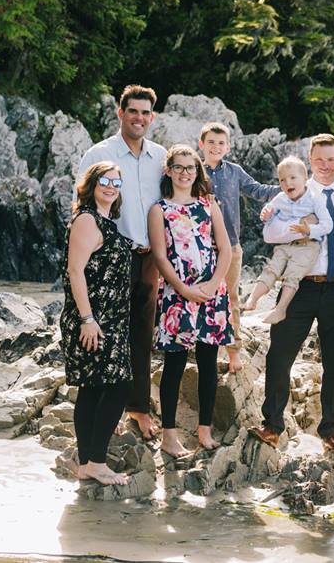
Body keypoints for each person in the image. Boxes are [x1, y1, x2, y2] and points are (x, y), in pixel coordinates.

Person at [249, 134, 334, 452]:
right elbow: (270, 233)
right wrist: (297, 224)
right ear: (309, 161)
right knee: (279, 355)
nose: (325, 165)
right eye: (318, 159)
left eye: (331, 158)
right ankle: (272, 425)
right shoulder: (295, 191)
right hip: (297, 285)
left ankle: (331, 430)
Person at [78, 84, 166, 441]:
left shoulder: (160, 156)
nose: (139, 118)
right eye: (133, 111)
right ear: (120, 113)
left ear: (153, 117)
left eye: (146, 113)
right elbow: (83, 205)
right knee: (109, 335)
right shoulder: (99, 154)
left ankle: (138, 408)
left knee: (142, 334)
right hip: (110, 258)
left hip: (149, 258)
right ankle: (105, 410)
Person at [147, 145, 233, 456]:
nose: (185, 173)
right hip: (177, 295)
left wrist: (212, 285)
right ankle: (169, 436)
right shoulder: (160, 210)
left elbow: (225, 248)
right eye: (179, 167)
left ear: (197, 172)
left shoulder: (209, 205)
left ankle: (204, 431)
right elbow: (159, 255)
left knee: (209, 364)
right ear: (168, 170)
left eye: (190, 168)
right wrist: (184, 289)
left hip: (212, 294)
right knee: (174, 364)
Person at [60, 162, 133, 485]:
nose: (110, 186)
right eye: (104, 180)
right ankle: (97, 462)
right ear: (90, 185)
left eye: (116, 182)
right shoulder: (87, 220)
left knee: (93, 388)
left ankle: (89, 462)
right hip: (93, 319)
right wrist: (87, 319)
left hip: (109, 319)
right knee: (119, 386)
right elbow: (75, 271)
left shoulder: (105, 222)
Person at [200, 122, 280, 372]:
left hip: (231, 247)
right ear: (201, 144)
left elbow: (257, 190)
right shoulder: (194, 170)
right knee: (201, 297)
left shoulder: (234, 171)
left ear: (229, 147)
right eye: (211, 142)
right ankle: (202, 349)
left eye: (221, 143)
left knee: (231, 297)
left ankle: (234, 351)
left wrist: (289, 188)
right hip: (199, 247)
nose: (216, 147)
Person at [244, 156, 333, 325]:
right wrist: (266, 214)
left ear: (305, 178)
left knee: (292, 275)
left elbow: (328, 225)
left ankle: (280, 309)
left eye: (293, 178)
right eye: (282, 180)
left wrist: (309, 230)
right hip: (285, 244)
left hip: (308, 245)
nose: (287, 183)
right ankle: (253, 299)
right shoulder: (280, 198)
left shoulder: (315, 199)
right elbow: (269, 210)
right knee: (271, 269)